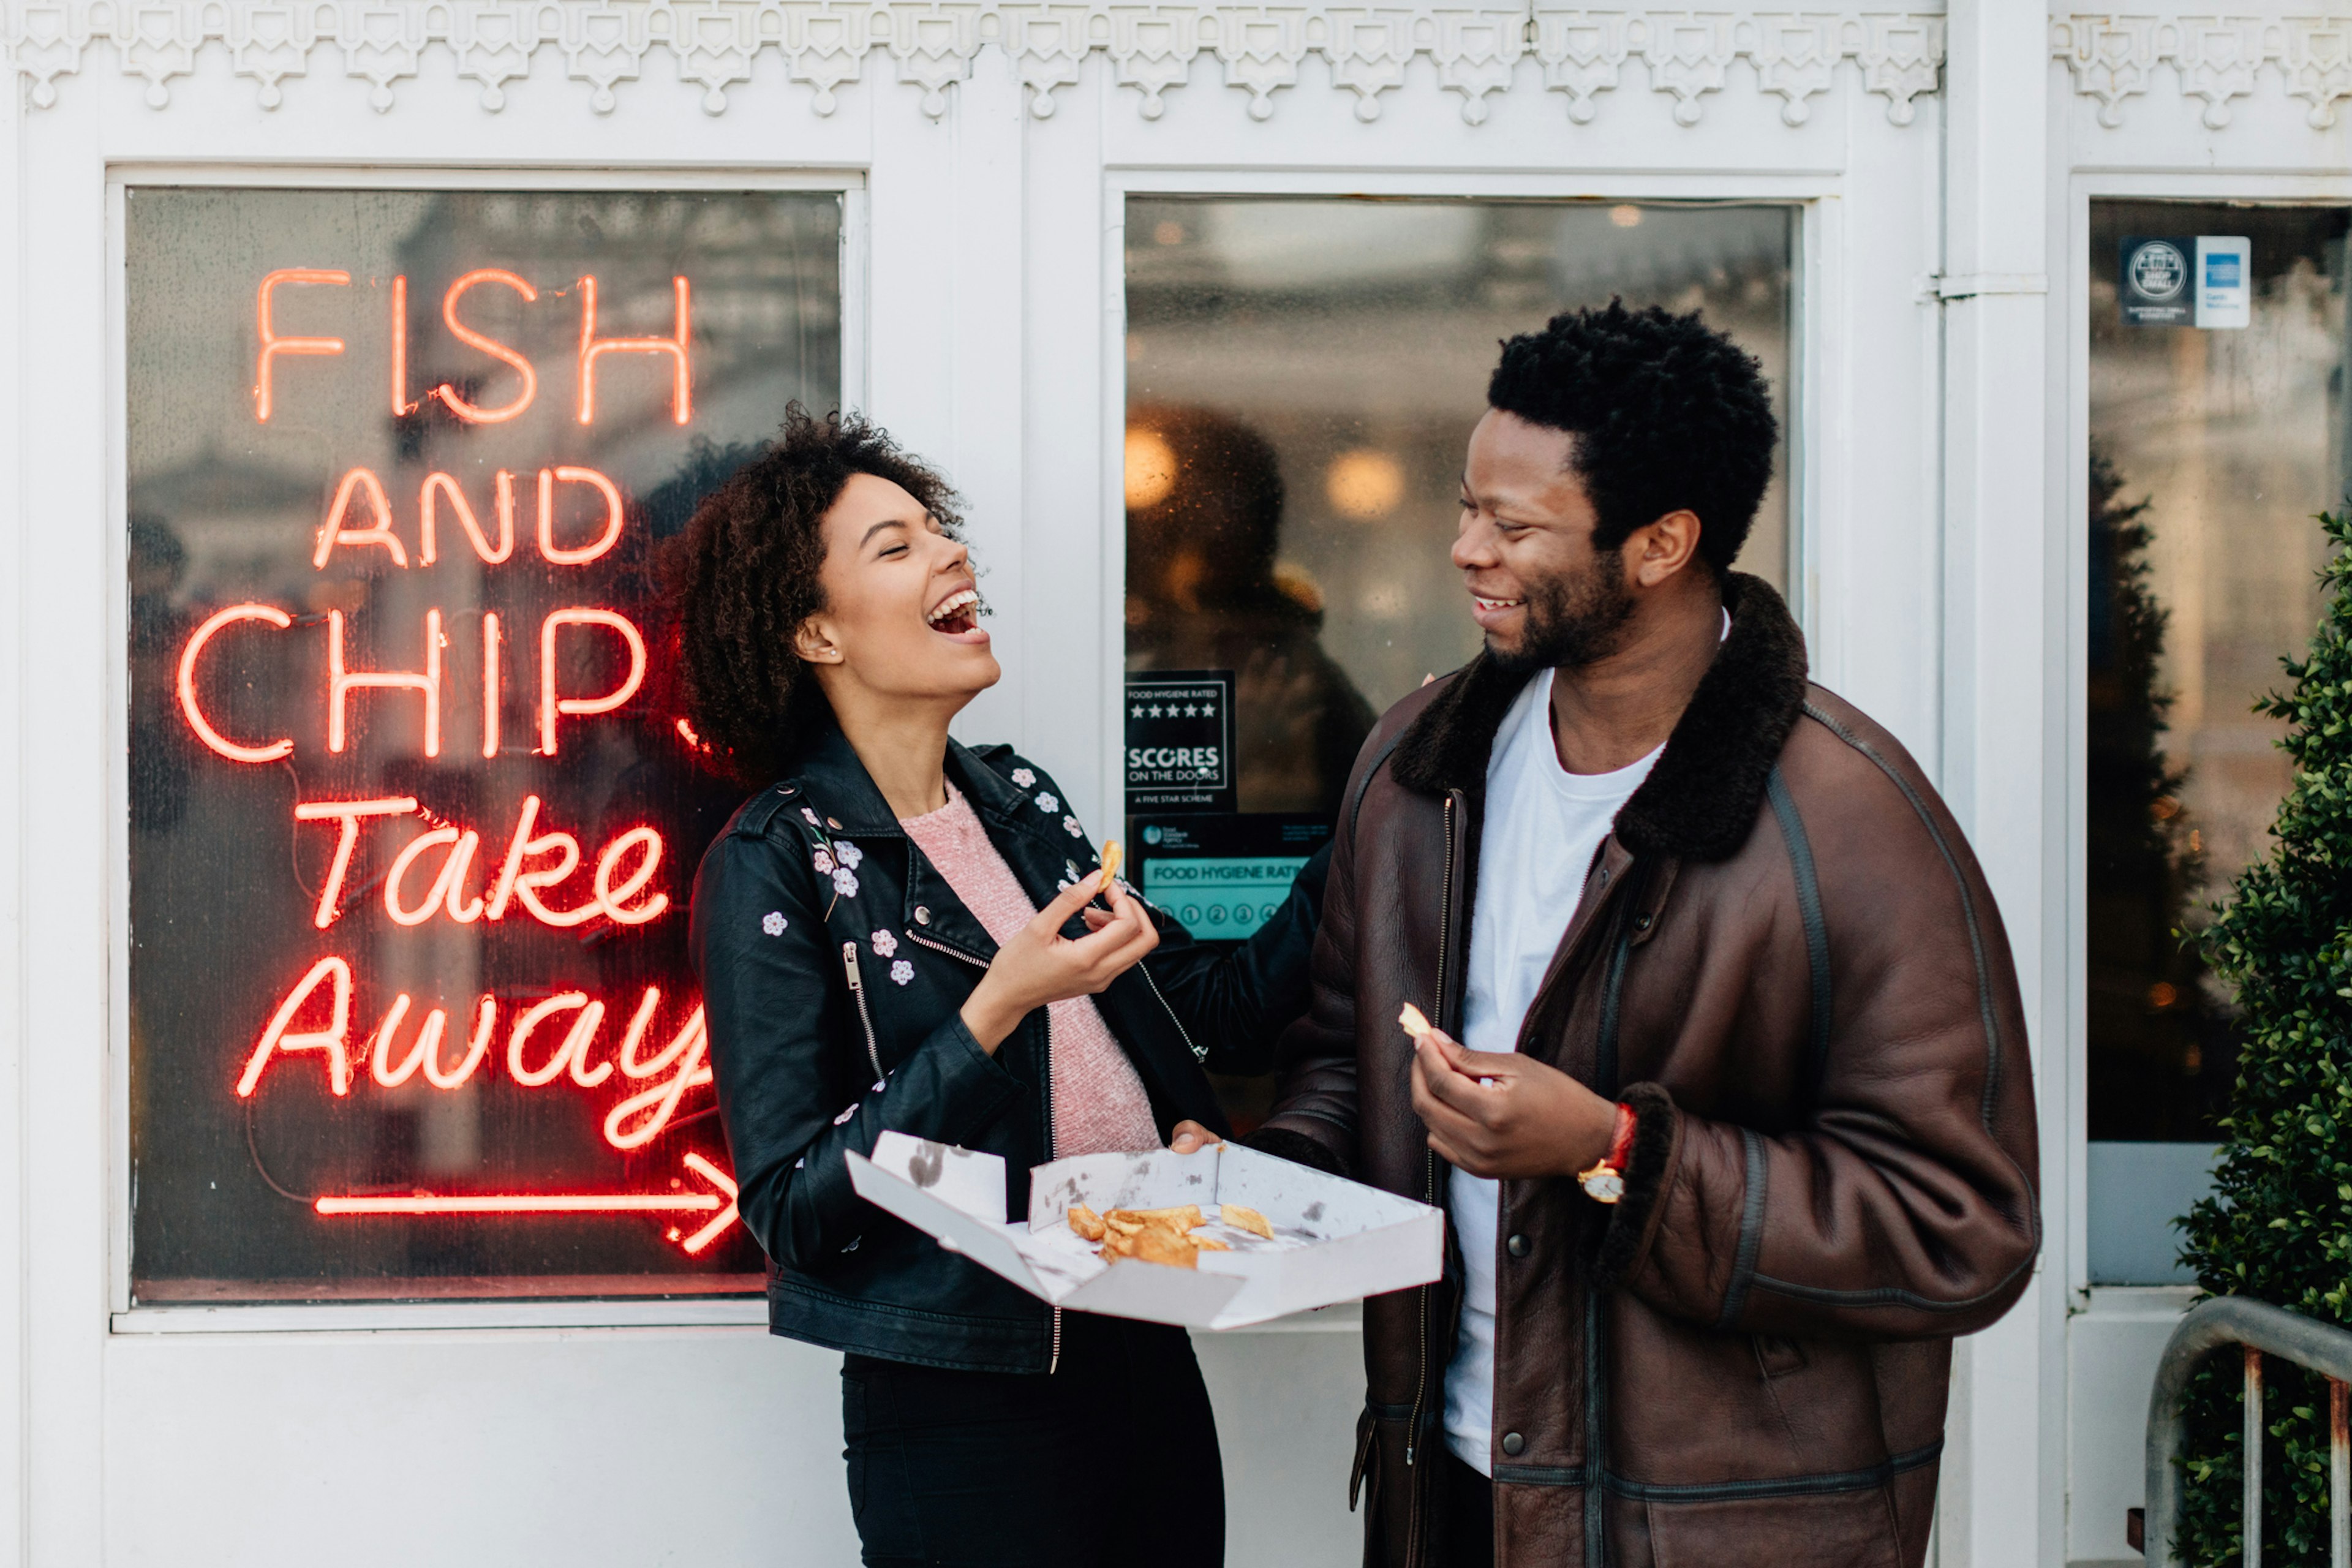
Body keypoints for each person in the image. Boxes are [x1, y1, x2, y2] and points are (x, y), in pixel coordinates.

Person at [1250, 303, 2041, 1567]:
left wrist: (1615, 1149)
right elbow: (1347, 1049)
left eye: (1512, 524)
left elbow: (1962, 1226)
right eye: (1467, 507)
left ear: (1663, 542)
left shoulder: (1853, 821)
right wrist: (1260, 1186)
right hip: (1446, 1488)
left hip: (1725, 1530)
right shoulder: (1415, 766)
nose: (1465, 548)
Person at [671, 407, 1322, 1568]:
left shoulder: (1021, 804)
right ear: (815, 632)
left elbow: (1207, 1009)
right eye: (896, 546)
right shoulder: (774, 858)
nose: (951, 555)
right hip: (962, 1404)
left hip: (1143, 1349)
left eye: (938, 531)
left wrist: (1372, 818)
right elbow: (791, 1204)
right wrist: (994, 1007)